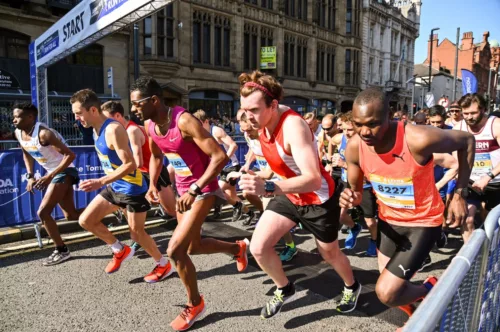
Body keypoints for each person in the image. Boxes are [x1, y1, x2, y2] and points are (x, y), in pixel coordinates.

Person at [339, 88, 474, 328]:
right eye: (358, 124)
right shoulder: (354, 147)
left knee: (387, 293)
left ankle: (428, 295)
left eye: (372, 124)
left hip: (423, 223)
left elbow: (467, 141)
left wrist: (459, 195)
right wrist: (350, 197)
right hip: (389, 222)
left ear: (389, 116)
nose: (365, 132)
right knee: (394, 289)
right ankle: (423, 305)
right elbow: (357, 192)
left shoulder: (417, 138)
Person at [238, 70, 361, 318]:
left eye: (253, 110)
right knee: (259, 247)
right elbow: (278, 167)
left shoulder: (293, 126)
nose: (246, 116)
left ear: (273, 105)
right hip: (289, 194)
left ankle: (352, 286)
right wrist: (253, 177)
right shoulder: (262, 123)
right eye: (244, 109)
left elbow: (313, 179)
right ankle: (285, 287)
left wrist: (270, 187)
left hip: (318, 199)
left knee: (329, 253)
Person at [130, 76, 248, 331]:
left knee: (175, 250)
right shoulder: (151, 126)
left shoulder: (184, 121)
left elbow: (218, 157)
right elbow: (157, 157)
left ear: (154, 100)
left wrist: (195, 189)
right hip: (184, 190)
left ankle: (195, 303)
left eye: (137, 104)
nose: (133, 109)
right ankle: (236, 249)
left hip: (202, 189)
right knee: (192, 246)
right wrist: (152, 184)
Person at [71, 89, 174, 283]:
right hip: (115, 186)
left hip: (132, 188)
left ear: (92, 110)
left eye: (79, 113)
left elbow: (131, 164)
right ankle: (119, 249)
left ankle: (163, 264)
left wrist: (100, 181)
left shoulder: (113, 129)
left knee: (137, 233)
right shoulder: (95, 129)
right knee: (86, 220)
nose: (76, 118)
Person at [101, 101, 177, 250]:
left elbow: (138, 161)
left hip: (151, 173)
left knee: (170, 208)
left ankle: (193, 228)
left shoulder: (131, 131)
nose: (105, 124)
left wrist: (118, 174)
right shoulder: (119, 131)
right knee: (128, 208)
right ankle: (137, 238)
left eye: (107, 119)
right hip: (136, 175)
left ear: (118, 115)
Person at [13, 102, 80, 266]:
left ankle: (62, 250)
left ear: (30, 117)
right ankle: (111, 209)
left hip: (65, 171)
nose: (14, 120)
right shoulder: (18, 133)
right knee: (71, 215)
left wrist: (49, 176)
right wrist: (30, 176)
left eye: (17, 117)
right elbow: (26, 153)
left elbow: (70, 155)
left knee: (43, 212)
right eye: (13, 116)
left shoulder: (44, 134)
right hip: (53, 173)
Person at [235, 109, 299, 262]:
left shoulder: (270, 138)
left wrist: (246, 175)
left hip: (282, 179)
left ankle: (290, 242)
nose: (247, 134)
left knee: (275, 212)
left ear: (257, 124)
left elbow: (270, 172)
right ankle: (287, 236)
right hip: (266, 178)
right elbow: (252, 147)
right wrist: (247, 164)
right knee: (263, 206)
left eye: (249, 130)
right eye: (244, 130)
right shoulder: (248, 135)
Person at [193, 109, 255, 224]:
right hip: (219, 168)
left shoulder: (216, 131)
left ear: (206, 121)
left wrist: (223, 160)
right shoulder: (202, 134)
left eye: (200, 124)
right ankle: (249, 213)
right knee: (232, 196)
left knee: (217, 190)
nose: (198, 127)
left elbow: (233, 145)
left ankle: (236, 206)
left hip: (230, 166)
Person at [454, 93, 500, 242]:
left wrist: (488, 177)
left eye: (473, 113)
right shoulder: (459, 128)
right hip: (471, 182)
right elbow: (454, 157)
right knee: (466, 220)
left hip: (495, 182)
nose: (469, 117)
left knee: (492, 223)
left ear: (483, 110)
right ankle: (474, 262)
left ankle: (493, 253)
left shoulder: (495, 125)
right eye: (465, 113)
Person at [332, 111, 377, 256]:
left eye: (349, 129)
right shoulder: (341, 138)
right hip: (347, 184)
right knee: (340, 216)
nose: (346, 132)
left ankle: (374, 241)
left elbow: (371, 171)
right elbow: (330, 141)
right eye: (343, 129)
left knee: (370, 221)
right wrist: (328, 159)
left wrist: (344, 164)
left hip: (364, 187)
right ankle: (354, 227)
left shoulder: (366, 143)